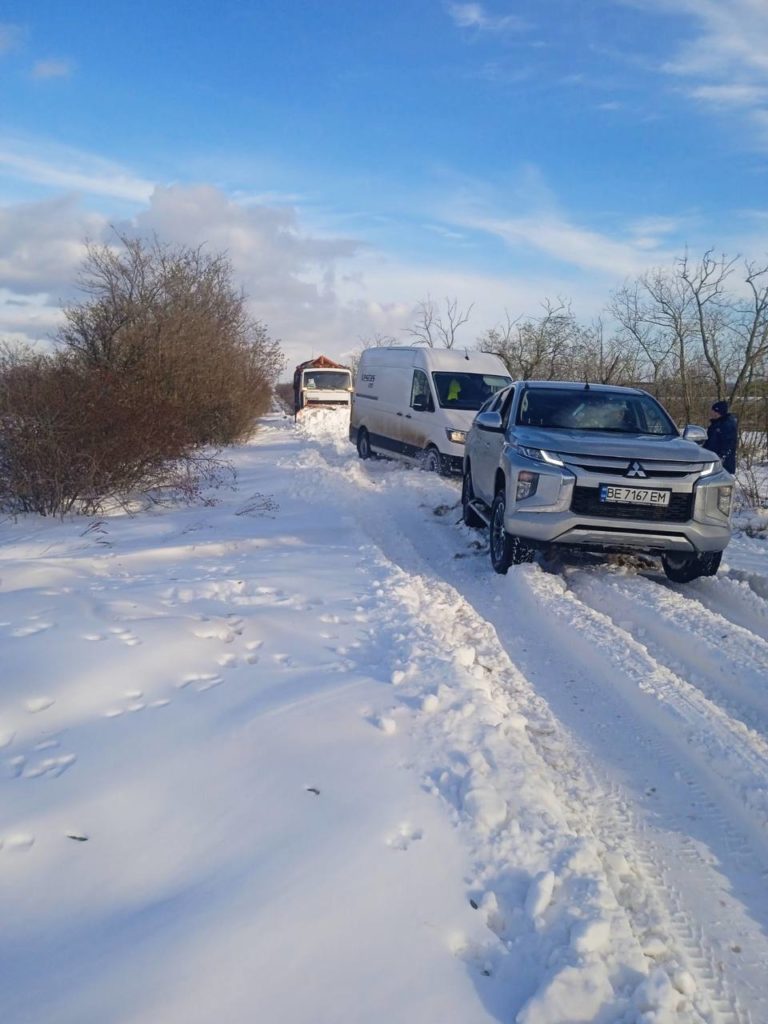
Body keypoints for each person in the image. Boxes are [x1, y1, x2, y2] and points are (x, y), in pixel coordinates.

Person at [703, 400, 738, 474]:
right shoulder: (715, 424)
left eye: (713, 411)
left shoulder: (727, 425)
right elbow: (709, 442)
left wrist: (722, 457)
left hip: (722, 463)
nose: (711, 413)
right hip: (711, 459)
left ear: (718, 412)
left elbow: (729, 443)